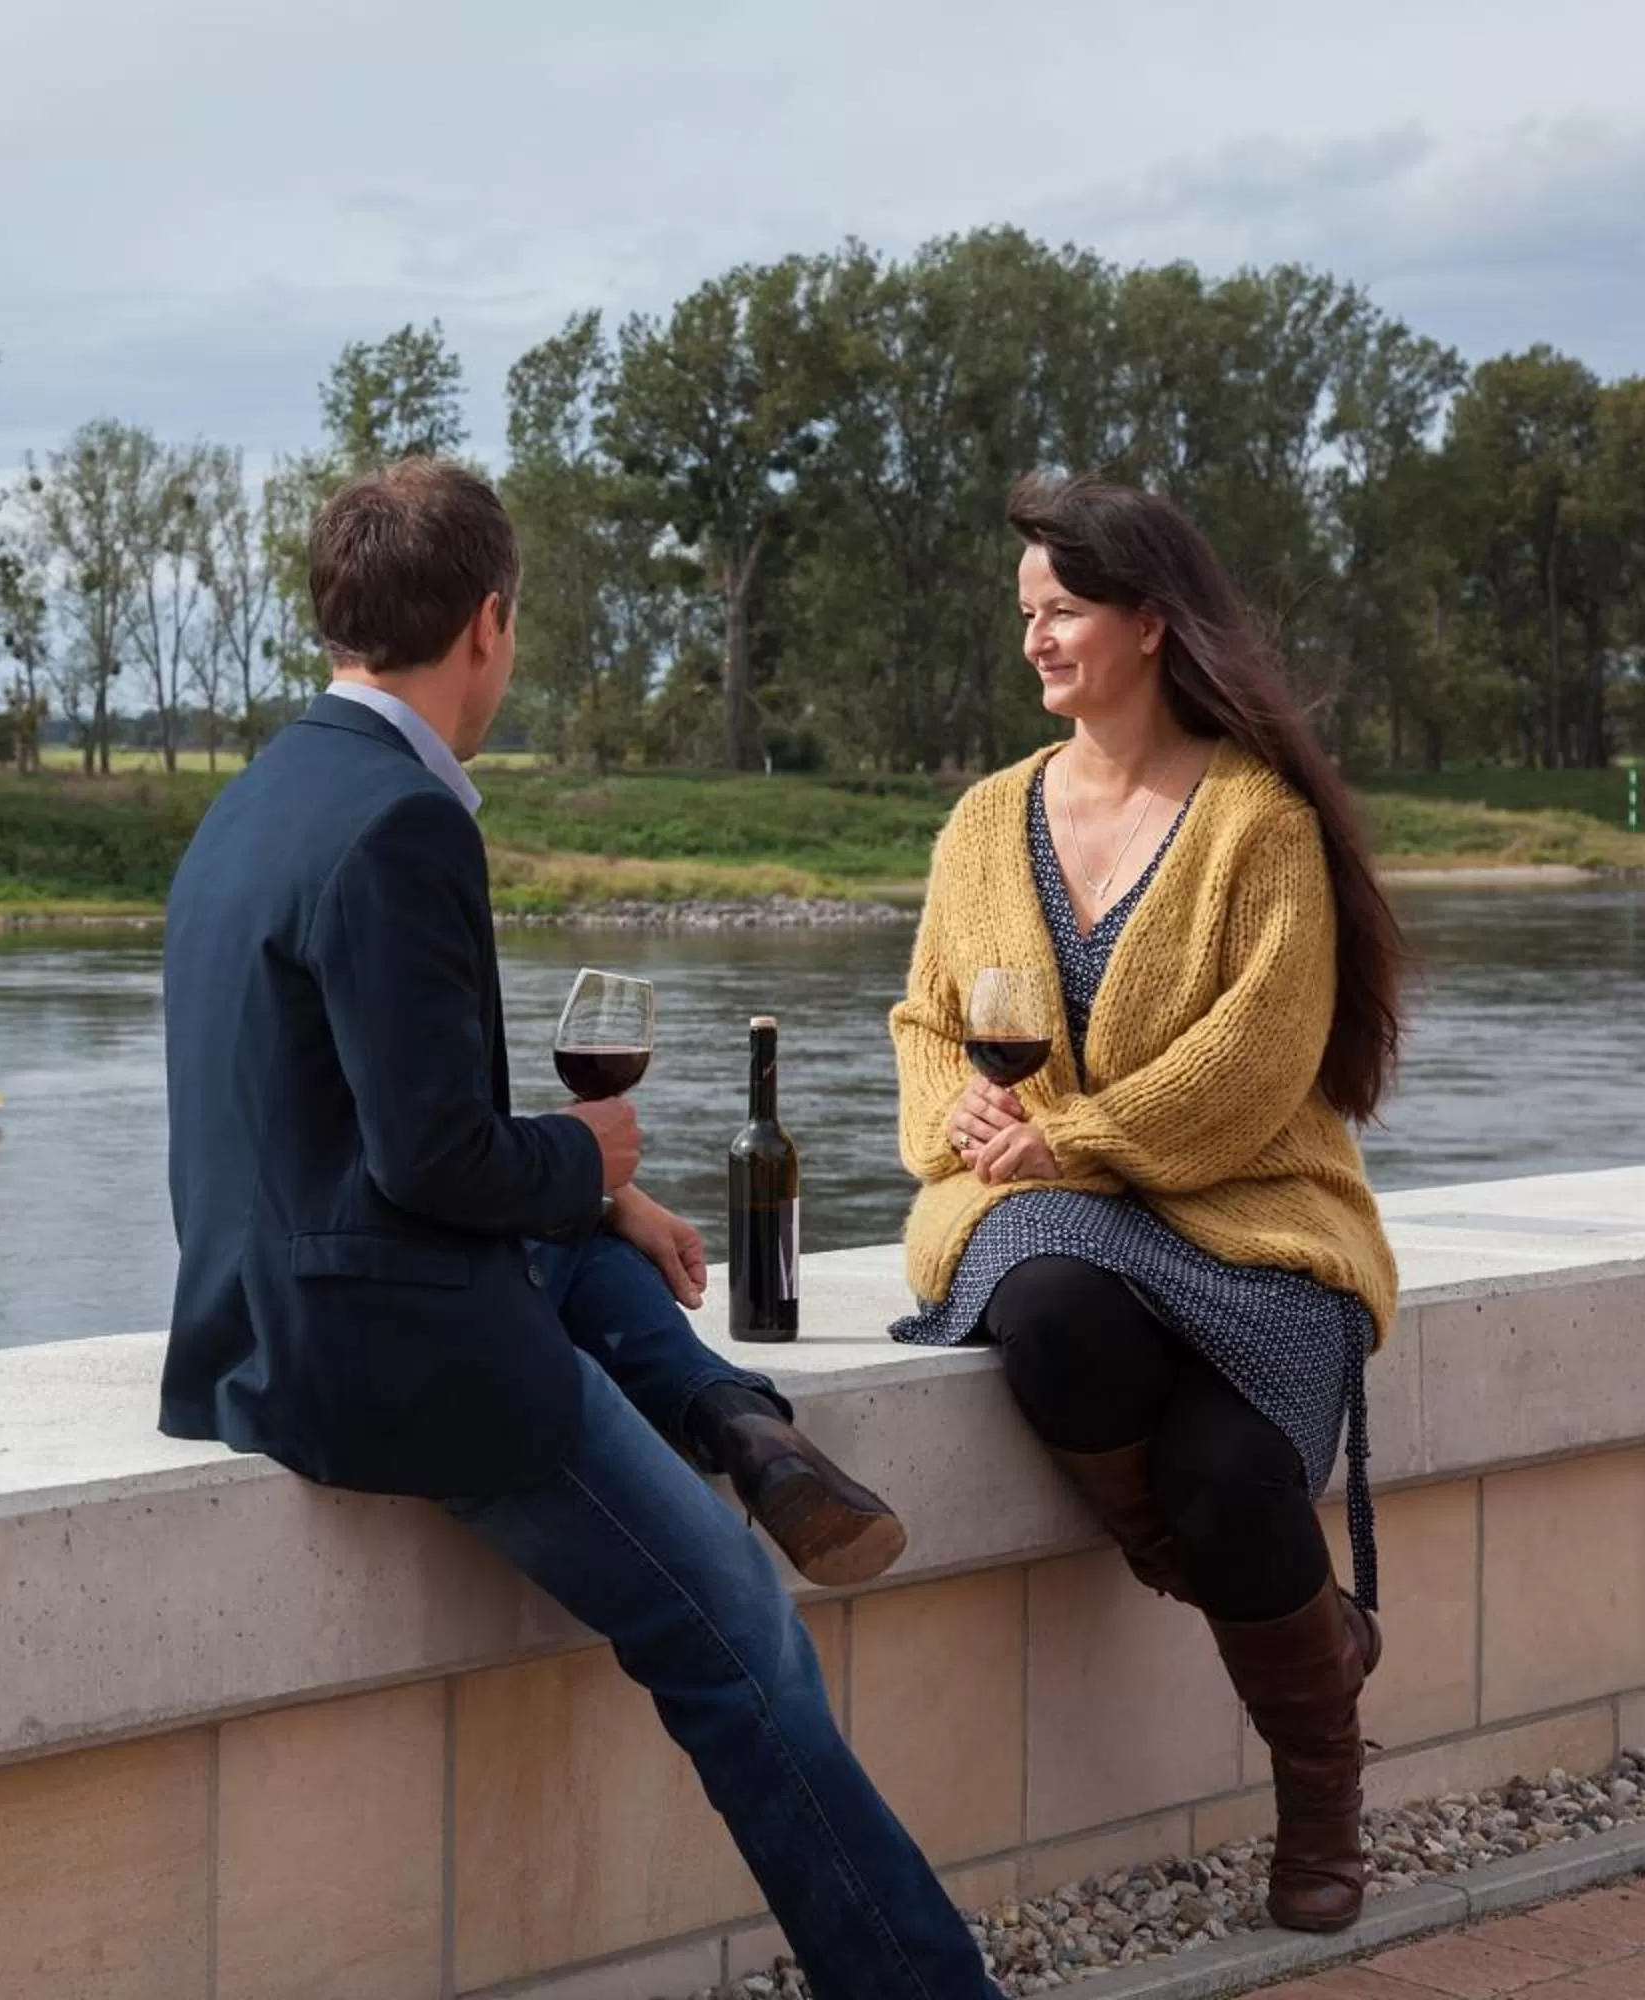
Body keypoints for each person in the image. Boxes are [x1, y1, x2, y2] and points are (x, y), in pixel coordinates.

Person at [164, 458, 999, 1999]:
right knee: (741, 1640)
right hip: (398, 1357)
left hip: (263, 1316)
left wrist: (593, 1191)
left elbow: (364, 1127)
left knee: (589, 1243)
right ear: (488, 624)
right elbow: (436, 1159)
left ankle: (735, 1421)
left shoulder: (260, 799)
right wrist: (587, 1142)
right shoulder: (409, 821)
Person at [889, 473, 1406, 1934]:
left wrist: (1079, 1138)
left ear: (1152, 624)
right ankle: (1318, 1635)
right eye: (1028, 616)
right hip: (1071, 1227)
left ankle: (1321, 1791)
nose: (1038, 639)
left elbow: (1256, 1062)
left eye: (1064, 612)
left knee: (1234, 1476)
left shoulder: (1259, 825)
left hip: (1257, 1233)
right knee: (1042, 1294)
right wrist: (965, 1117)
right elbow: (926, 1018)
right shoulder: (988, 821)